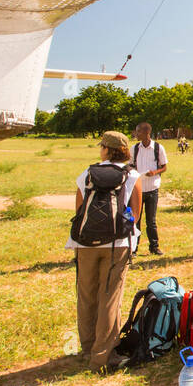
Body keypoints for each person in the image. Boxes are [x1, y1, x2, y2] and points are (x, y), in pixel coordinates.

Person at [68, 131, 142, 372]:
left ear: (107, 150)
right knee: (110, 298)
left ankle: (88, 347)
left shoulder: (87, 173)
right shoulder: (132, 175)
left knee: (87, 295)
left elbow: (79, 209)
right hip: (117, 244)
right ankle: (103, 356)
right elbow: (136, 213)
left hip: (85, 244)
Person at [131, 122, 168, 255]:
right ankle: (134, 248)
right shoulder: (134, 149)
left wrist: (155, 172)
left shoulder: (158, 148)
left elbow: (164, 167)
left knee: (151, 221)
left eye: (138, 132)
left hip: (152, 188)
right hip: (138, 189)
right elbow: (130, 165)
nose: (136, 134)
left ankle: (154, 247)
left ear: (146, 133)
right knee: (136, 220)